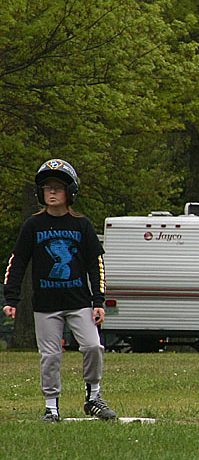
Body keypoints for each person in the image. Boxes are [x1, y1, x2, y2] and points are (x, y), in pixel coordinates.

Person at [2, 159, 116, 422]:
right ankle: (51, 407)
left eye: (58, 187)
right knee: (51, 356)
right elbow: (17, 261)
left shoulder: (82, 225)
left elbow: (95, 264)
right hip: (45, 304)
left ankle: (93, 397)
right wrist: (12, 297)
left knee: (92, 347)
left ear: (70, 192)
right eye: (46, 187)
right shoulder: (33, 226)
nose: (51, 192)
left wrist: (98, 301)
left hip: (79, 302)